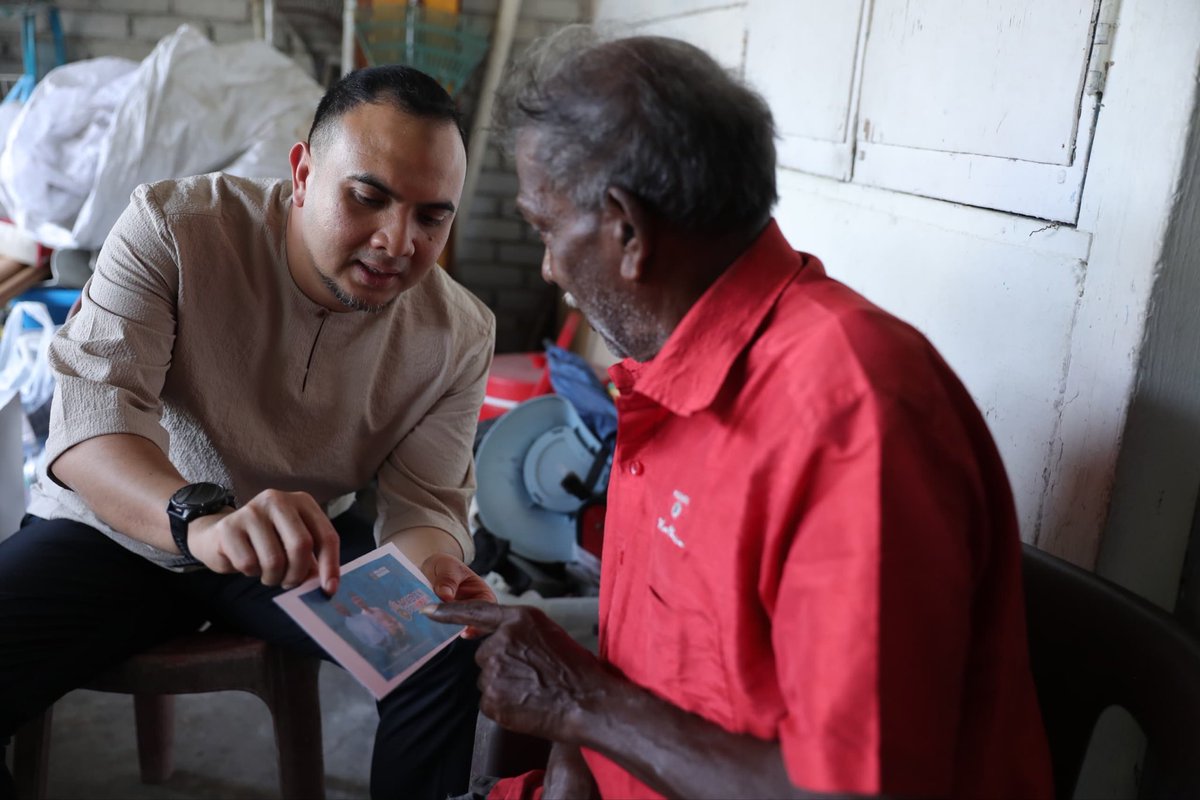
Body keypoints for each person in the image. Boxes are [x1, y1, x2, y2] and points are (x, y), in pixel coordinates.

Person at [426, 27, 1055, 800]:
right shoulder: (667, 384)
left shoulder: (854, 415)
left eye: (545, 229)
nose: (550, 269)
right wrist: (574, 734)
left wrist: (580, 702)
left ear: (626, 229)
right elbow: (629, 677)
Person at [0, 64, 495, 800]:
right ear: (302, 172)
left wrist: (434, 571)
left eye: (432, 217)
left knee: (449, 656)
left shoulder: (456, 332)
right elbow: (91, 426)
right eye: (369, 197)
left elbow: (425, 504)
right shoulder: (175, 228)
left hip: (300, 548)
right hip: (120, 529)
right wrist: (201, 523)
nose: (398, 243)